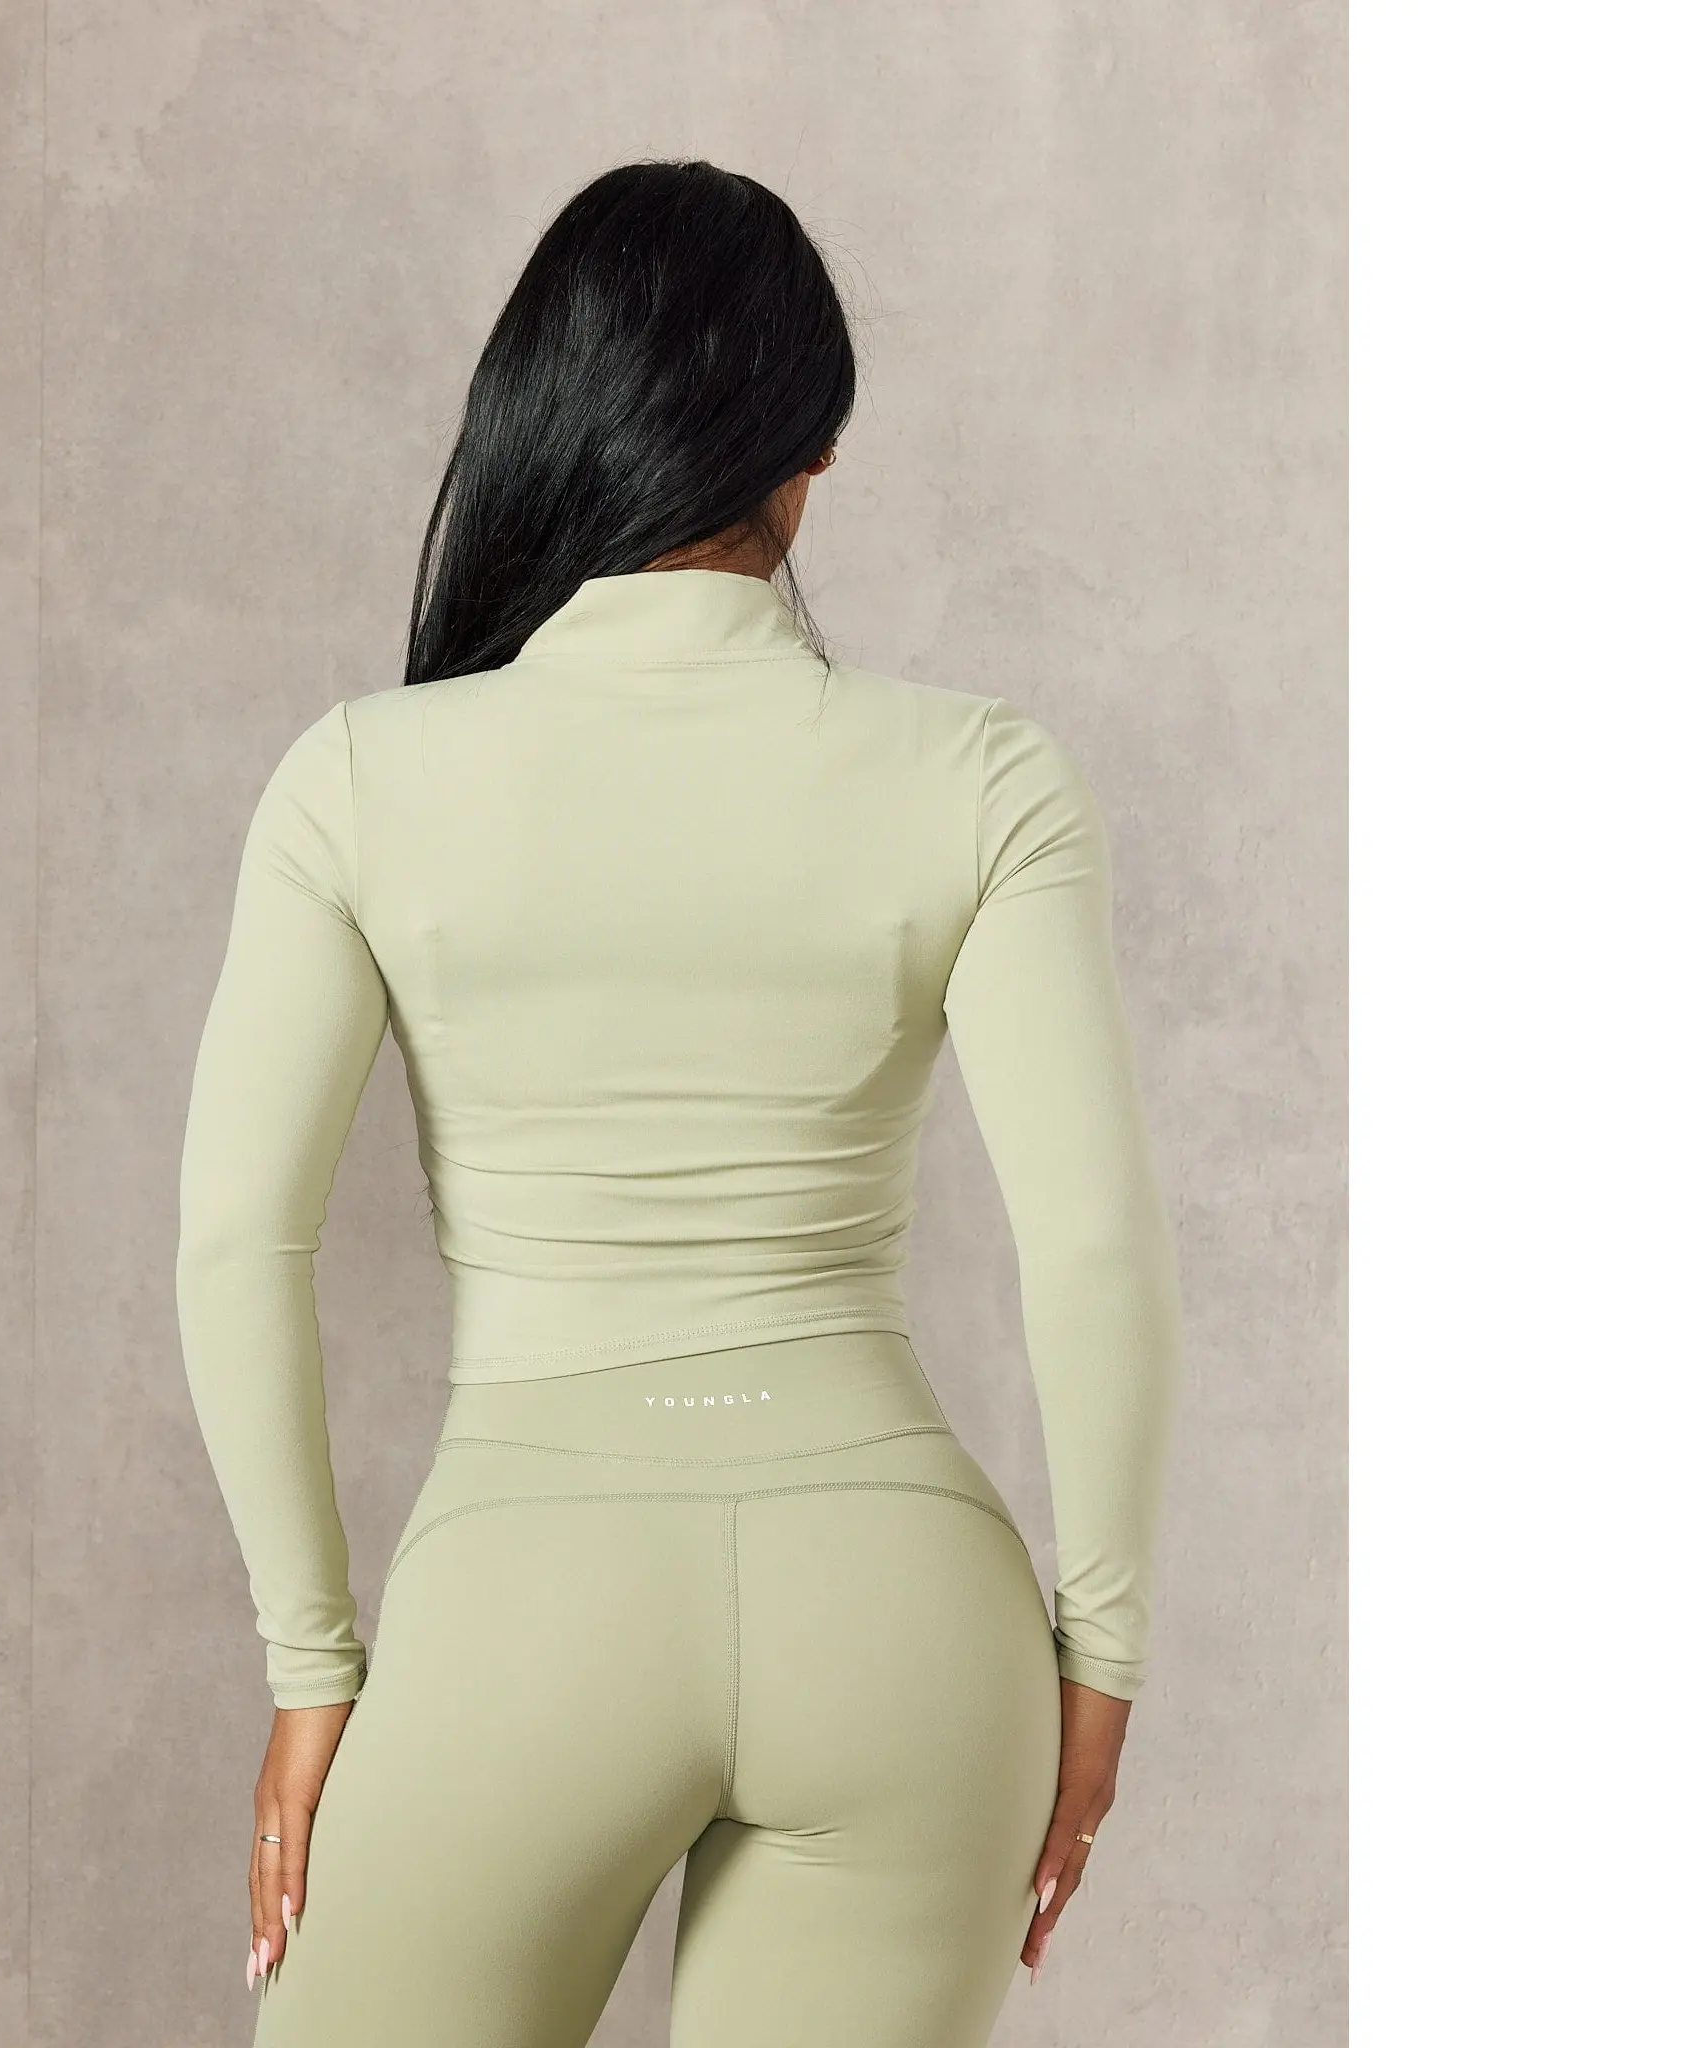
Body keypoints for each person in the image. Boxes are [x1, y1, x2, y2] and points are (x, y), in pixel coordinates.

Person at [175, 157, 1183, 2048]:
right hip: (904, 1618)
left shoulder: (359, 781)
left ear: (543, 419)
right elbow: (1097, 1248)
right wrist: (1104, 1657)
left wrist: (314, 1671)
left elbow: (239, 1243)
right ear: (811, 456)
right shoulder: (982, 776)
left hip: (521, 1611)